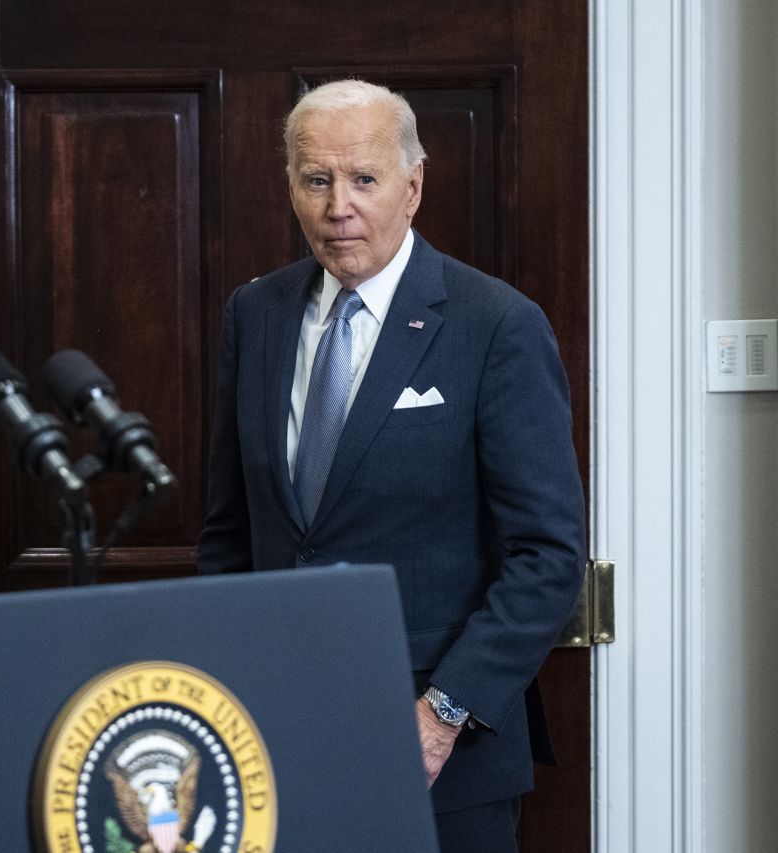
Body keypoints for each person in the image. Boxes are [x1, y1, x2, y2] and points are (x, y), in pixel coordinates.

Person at [197, 78, 586, 852]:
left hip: (444, 754)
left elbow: (547, 555)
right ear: (292, 188)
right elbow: (230, 530)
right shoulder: (256, 313)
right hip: (277, 735)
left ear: (412, 187)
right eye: (317, 179)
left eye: (364, 179)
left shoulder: (496, 325)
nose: (339, 204)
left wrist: (441, 716)